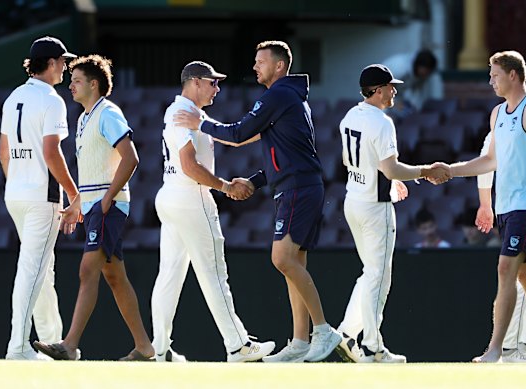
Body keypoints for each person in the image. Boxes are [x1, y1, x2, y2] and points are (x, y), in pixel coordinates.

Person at [174, 40, 341, 363]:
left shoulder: (277, 95)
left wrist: (201, 124)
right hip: (295, 186)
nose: (255, 67)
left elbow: (238, 135)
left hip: (298, 189)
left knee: (282, 259)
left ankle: (323, 331)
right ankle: (299, 342)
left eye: (261, 62)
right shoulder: (287, 98)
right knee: (294, 264)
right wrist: (255, 180)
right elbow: (284, 150)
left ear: (279, 66)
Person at [447, 51, 526, 362]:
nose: (490, 80)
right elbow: (490, 160)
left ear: (513, 75)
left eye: (495, 75)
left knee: (505, 269)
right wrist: (450, 169)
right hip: (508, 206)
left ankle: (495, 350)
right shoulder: (498, 114)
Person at [151, 61, 275, 362]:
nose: (217, 88)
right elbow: (190, 165)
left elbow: (232, 136)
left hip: (171, 195)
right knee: (214, 273)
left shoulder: (191, 113)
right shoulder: (181, 113)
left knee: (169, 274)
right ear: (194, 82)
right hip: (190, 196)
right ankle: (237, 345)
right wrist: (225, 187)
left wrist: (271, 128)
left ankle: (160, 349)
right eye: (212, 82)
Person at [33, 54, 155, 361]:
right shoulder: (85, 117)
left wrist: (105, 199)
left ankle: (69, 345)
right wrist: (78, 203)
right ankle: (144, 348)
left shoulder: (108, 113)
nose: (70, 86)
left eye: (76, 81)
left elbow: (131, 158)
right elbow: (92, 170)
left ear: (94, 84)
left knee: (88, 270)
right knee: (115, 277)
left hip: (107, 208)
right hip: (95, 207)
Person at [333, 64, 450, 364]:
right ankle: (372, 346)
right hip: (375, 207)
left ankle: (347, 334)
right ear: (377, 90)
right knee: (379, 277)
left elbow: (356, 161)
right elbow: (391, 167)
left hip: (354, 201)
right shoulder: (382, 122)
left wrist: (391, 177)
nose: (394, 90)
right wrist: (425, 171)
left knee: (370, 272)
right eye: (389, 86)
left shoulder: (350, 116)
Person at [0, 36, 81, 360]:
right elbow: (51, 152)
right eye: (62, 61)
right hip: (40, 197)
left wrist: (17, 183)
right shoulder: (52, 99)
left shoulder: (13, 97)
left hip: (16, 193)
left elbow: (4, 152)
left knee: (42, 269)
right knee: (33, 269)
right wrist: (75, 196)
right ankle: (18, 347)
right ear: (50, 63)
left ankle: (52, 345)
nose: (65, 67)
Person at [381, 49, 443, 116]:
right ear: (420, 66)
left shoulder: (419, 75)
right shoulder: (400, 68)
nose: (427, 74)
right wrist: (395, 103)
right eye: (427, 71)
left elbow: (417, 94)